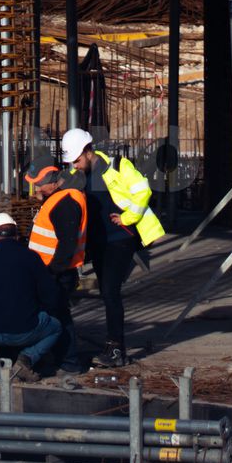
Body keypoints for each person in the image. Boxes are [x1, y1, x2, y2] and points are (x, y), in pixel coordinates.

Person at [60, 128, 165, 368]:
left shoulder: (118, 166)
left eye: (77, 159)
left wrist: (128, 218)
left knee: (110, 290)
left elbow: (143, 190)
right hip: (98, 242)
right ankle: (112, 343)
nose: (74, 165)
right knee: (107, 293)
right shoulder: (77, 174)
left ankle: (117, 348)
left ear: (88, 151)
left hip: (121, 238)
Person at [0, 213, 62, 383]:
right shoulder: (31, 258)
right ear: (17, 236)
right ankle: (25, 360)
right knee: (55, 327)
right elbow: (50, 294)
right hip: (25, 330)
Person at [24, 158, 87, 372]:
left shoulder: (65, 202)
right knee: (55, 316)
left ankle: (69, 363)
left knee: (58, 318)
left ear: (53, 181)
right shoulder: (59, 198)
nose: (37, 188)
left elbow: (66, 245)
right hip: (52, 271)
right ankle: (63, 361)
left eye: (39, 184)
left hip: (57, 273)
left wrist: (52, 274)